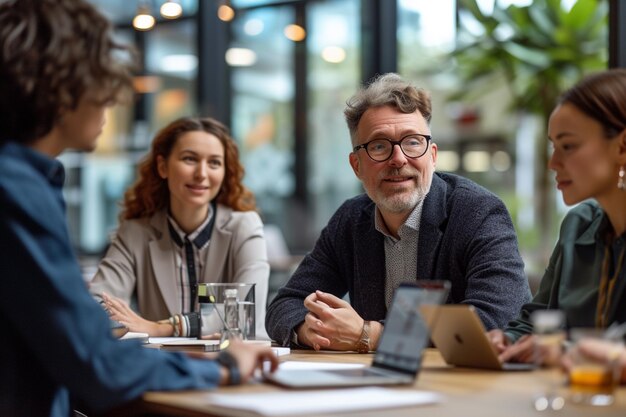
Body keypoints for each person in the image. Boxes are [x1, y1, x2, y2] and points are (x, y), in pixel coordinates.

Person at [0, 2, 277, 416]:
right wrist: (220, 366)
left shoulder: (31, 182)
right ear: (63, 86)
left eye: (214, 163)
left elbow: (246, 314)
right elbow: (93, 347)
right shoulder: (17, 189)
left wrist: (159, 328)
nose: (113, 98)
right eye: (103, 80)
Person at [266, 73, 530, 351]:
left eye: (413, 142)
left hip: (462, 388)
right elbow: (285, 305)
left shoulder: (478, 213)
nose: (399, 159)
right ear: (356, 165)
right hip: (374, 387)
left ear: (433, 155)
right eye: (379, 146)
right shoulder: (351, 220)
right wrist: (310, 330)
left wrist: (370, 335)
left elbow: (496, 320)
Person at [486, 68, 626, 365]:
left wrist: (563, 350)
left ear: (622, 147)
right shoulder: (579, 224)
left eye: (568, 146)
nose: (553, 162)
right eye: (553, 146)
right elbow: (535, 321)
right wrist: (506, 339)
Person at [89, 116, 270, 340]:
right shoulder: (135, 233)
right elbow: (97, 305)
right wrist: (121, 319)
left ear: (224, 173)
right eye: (189, 159)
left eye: (214, 163)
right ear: (163, 166)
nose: (202, 174)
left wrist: (165, 327)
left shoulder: (245, 227)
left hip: (235, 363)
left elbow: (244, 312)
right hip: (164, 367)